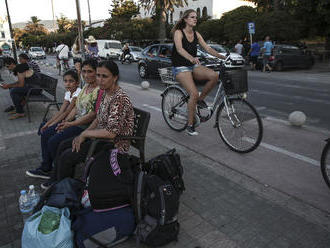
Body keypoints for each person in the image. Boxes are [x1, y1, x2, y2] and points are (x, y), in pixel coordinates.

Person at [42, 60, 134, 189]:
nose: (100, 80)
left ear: (115, 78)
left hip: (113, 144)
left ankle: (63, 188)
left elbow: (111, 133)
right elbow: (98, 118)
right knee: (63, 144)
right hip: (99, 138)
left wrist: (85, 133)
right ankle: (56, 180)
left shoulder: (119, 98)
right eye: (98, 75)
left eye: (105, 76)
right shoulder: (106, 93)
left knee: (68, 156)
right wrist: (82, 135)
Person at [25, 59, 99, 180]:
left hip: (83, 126)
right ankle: (46, 168)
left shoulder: (98, 91)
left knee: (54, 141)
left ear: (97, 72)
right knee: (46, 133)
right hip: (75, 122)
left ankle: (56, 173)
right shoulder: (86, 87)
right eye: (84, 71)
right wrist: (65, 122)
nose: (86, 75)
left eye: (90, 71)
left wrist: (70, 124)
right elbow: (75, 109)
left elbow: (92, 115)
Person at [171, 9, 227, 136]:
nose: (195, 19)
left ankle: (199, 100)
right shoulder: (178, 33)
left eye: (196, 17)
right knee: (194, 93)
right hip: (180, 67)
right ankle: (190, 125)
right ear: (185, 19)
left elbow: (207, 48)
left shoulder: (196, 34)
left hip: (192, 66)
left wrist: (222, 57)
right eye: (192, 17)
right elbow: (179, 49)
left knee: (214, 75)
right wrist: (191, 58)